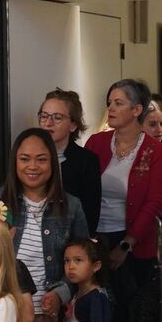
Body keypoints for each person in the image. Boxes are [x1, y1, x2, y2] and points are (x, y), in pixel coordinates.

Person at [85, 79, 162, 322]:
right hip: (96, 240)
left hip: (134, 243)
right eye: (110, 102)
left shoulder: (154, 152)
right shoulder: (96, 143)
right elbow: (84, 191)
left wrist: (127, 243)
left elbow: (154, 203)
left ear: (137, 110)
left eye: (119, 103)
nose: (111, 108)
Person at [0, 128, 88, 322]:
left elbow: (84, 263)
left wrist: (60, 294)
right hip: (0, 312)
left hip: (44, 316)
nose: (32, 166)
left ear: (52, 163)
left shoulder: (71, 206)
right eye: (24, 159)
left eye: (41, 159)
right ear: (14, 162)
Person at [38, 88, 102, 233]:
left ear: (73, 125)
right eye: (44, 116)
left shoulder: (87, 161)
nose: (48, 123)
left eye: (57, 117)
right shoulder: (28, 156)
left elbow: (90, 216)